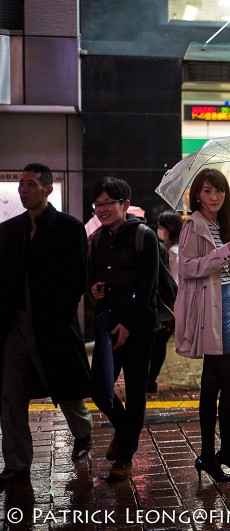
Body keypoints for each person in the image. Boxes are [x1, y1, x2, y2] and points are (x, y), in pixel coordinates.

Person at [0, 163, 93, 482]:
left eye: (31, 184)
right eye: (22, 184)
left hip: (53, 325)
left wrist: (59, 313)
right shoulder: (10, 231)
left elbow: (78, 278)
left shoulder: (68, 227)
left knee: (67, 391)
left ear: (48, 189)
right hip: (14, 326)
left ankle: (83, 432)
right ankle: (16, 463)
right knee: (10, 394)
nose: (24, 190)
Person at [174, 168, 230, 484]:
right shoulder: (192, 226)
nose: (214, 197)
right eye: (208, 191)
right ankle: (219, 453)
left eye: (219, 191)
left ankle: (215, 454)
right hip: (207, 308)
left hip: (224, 301)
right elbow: (188, 268)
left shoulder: (221, 224)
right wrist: (226, 251)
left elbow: (223, 268)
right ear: (198, 194)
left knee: (213, 383)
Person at [88, 177, 159, 481]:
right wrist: (95, 291)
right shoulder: (98, 239)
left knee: (135, 391)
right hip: (107, 323)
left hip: (139, 327)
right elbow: (92, 277)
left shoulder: (144, 236)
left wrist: (128, 324)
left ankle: (126, 456)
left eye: (108, 203)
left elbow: (148, 286)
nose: (102, 209)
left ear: (125, 205)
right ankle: (124, 430)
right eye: (98, 204)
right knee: (100, 391)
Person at [147, 210, 184, 393]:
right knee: (158, 342)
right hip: (171, 305)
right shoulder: (171, 249)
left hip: (170, 306)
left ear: (171, 229)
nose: (159, 230)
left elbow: (175, 281)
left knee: (158, 342)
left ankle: (150, 379)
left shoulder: (174, 252)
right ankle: (150, 378)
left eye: (162, 227)